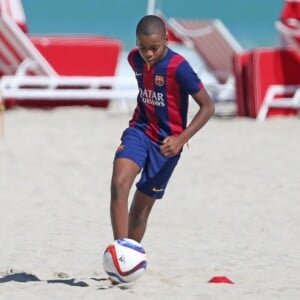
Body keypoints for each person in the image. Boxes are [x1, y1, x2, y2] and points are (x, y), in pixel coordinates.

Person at [110, 15, 215, 243]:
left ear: (166, 40)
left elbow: (208, 107)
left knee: (140, 208)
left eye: (154, 48)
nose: (147, 54)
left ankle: (130, 258)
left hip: (167, 145)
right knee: (119, 184)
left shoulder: (180, 68)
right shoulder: (133, 59)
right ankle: (120, 255)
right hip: (139, 131)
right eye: (142, 47)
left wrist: (181, 138)